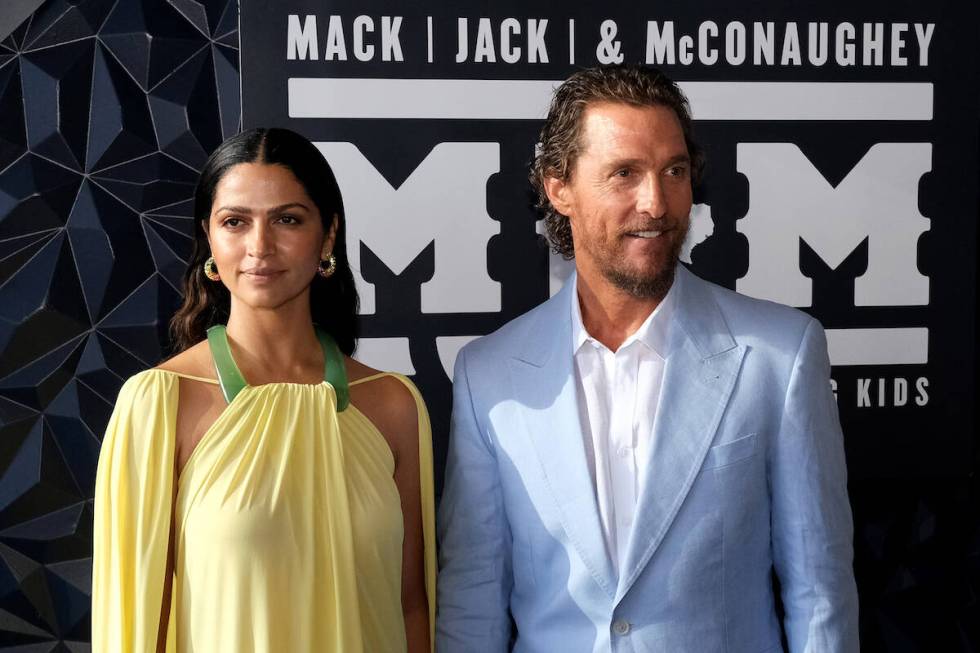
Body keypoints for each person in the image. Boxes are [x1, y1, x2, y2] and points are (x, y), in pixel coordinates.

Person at [436, 65, 859, 652]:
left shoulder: (779, 357)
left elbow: (820, 593)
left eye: (674, 171)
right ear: (559, 189)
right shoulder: (489, 376)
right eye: (624, 173)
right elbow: (473, 601)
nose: (657, 202)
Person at [92, 128, 435, 652]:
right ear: (209, 238)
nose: (259, 246)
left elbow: (412, 607)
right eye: (235, 221)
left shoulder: (393, 404)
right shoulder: (160, 403)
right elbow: (136, 628)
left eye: (287, 220)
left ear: (328, 236)